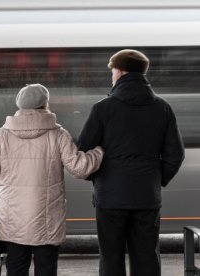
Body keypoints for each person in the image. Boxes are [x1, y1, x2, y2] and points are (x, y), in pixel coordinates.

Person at [76, 49, 185, 276]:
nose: (112, 75)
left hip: (110, 198)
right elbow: (176, 154)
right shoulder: (162, 108)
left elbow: (83, 151)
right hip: (146, 196)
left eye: (113, 70)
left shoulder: (103, 108)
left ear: (121, 71)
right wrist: (157, 178)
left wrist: (97, 177)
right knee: (146, 257)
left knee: (111, 257)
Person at [0, 83, 104, 276]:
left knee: (15, 268)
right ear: (45, 104)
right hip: (47, 219)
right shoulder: (58, 134)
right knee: (46, 269)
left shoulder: (2, 134)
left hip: (13, 216)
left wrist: (8, 185)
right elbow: (80, 168)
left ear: (19, 105)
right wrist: (98, 152)